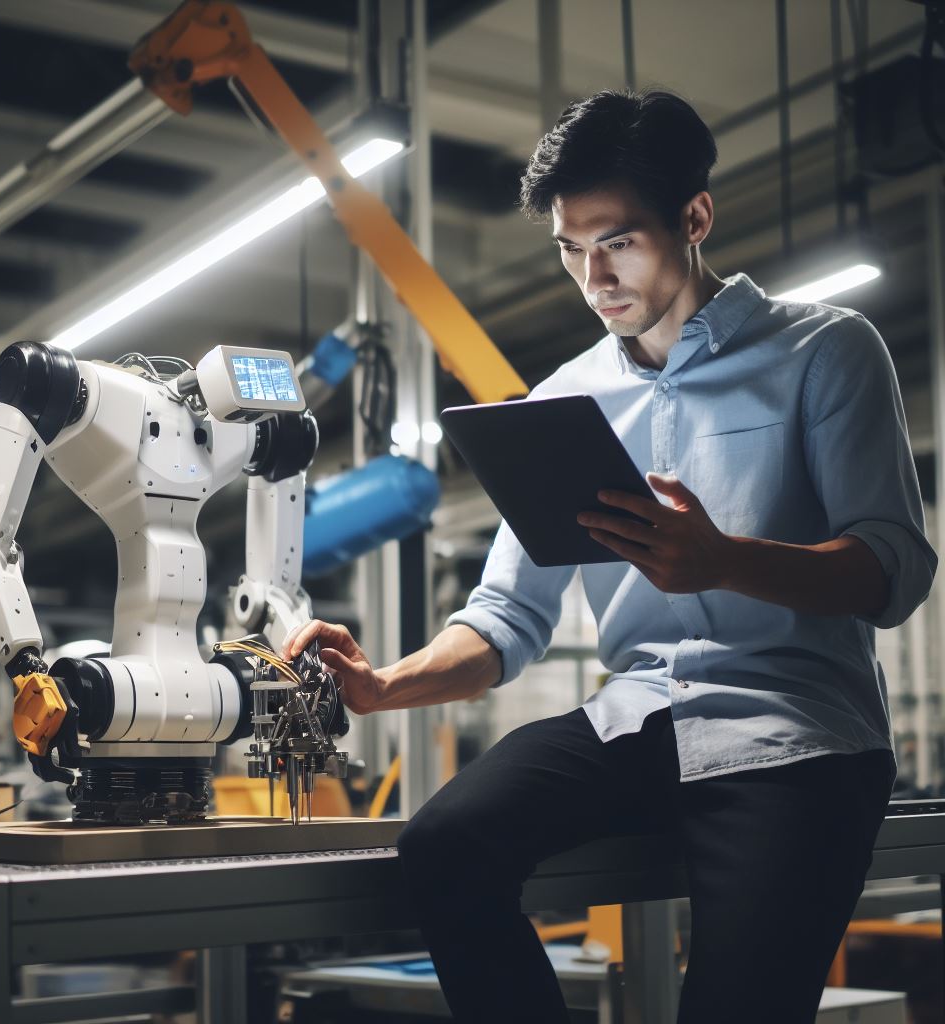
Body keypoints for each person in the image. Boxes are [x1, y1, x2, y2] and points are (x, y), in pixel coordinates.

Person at [283, 89, 937, 1023]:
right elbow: (507, 617)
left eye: (619, 242)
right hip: (636, 722)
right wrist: (386, 685)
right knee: (444, 847)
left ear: (695, 217)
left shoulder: (825, 352)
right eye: (569, 249)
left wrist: (721, 561)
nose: (593, 277)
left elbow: (893, 571)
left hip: (795, 733)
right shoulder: (564, 399)